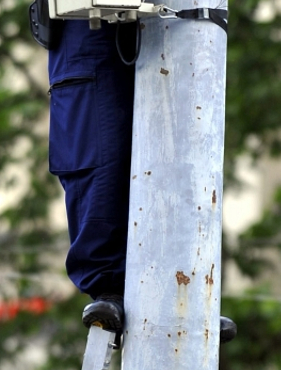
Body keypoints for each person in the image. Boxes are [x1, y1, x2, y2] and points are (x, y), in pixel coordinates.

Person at [47, 18, 236, 343]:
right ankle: (111, 287)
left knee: (183, 141)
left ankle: (185, 283)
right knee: (102, 149)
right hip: (88, 25)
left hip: (179, 20)